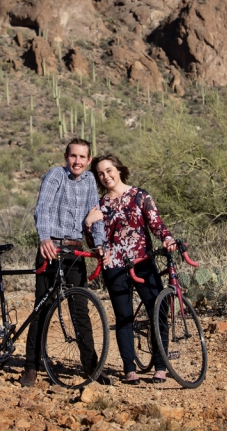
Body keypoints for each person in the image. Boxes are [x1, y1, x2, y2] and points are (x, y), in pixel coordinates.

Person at [20, 138, 108, 387]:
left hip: (75, 250)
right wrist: (44, 238)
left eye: (82, 157)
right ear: (66, 157)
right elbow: (43, 208)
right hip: (51, 248)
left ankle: (91, 367)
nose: (77, 161)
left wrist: (99, 244)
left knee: (80, 309)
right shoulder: (55, 175)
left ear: (89, 160)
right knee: (43, 306)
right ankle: (31, 366)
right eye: (73, 156)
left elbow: (95, 215)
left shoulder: (89, 181)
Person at [85, 154, 176, 385]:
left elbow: (156, 223)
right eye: (100, 173)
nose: (105, 176)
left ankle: (161, 366)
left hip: (143, 261)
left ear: (118, 169)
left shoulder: (139, 195)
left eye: (108, 170)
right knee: (123, 316)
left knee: (157, 310)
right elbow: (94, 241)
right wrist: (88, 223)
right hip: (114, 266)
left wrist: (167, 238)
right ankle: (129, 369)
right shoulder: (99, 205)